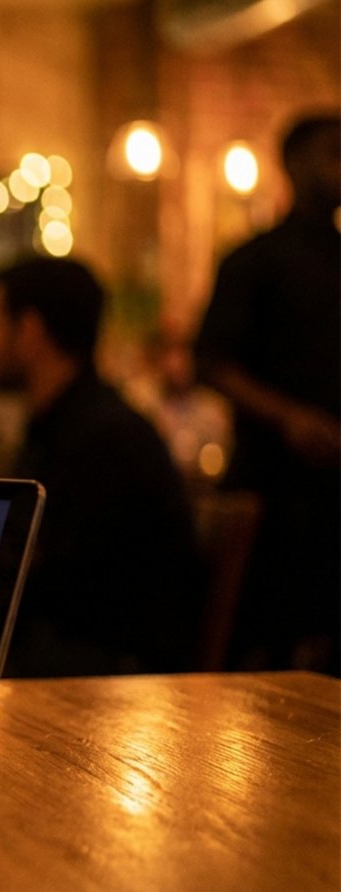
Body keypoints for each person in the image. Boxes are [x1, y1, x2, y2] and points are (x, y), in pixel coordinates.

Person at [0, 256, 201, 677]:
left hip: (114, 680)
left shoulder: (103, 439)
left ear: (29, 331)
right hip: (80, 657)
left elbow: (42, 584)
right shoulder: (65, 426)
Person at [194, 112, 340, 675]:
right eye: (332, 153)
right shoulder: (256, 259)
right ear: (294, 164)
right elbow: (211, 361)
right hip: (274, 481)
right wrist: (290, 419)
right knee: (267, 648)